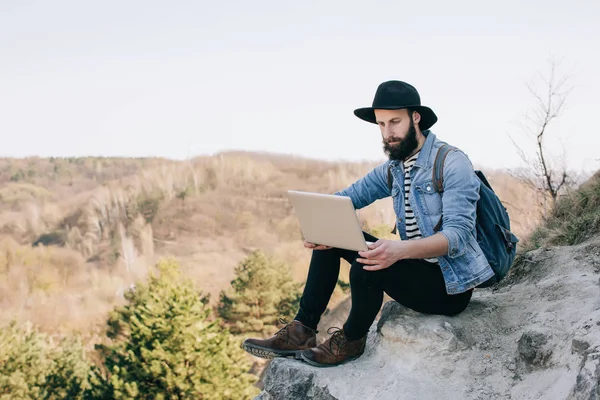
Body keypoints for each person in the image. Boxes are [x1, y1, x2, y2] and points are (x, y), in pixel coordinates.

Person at [242, 80, 495, 367]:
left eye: (395, 122)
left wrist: (399, 250)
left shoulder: (451, 162)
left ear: (416, 117)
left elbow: (457, 236)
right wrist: (318, 225)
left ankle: (351, 339)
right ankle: (302, 330)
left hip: (449, 288)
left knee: (370, 262)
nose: (388, 133)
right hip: (412, 272)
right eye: (381, 124)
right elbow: (343, 200)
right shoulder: (394, 169)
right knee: (333, 234)